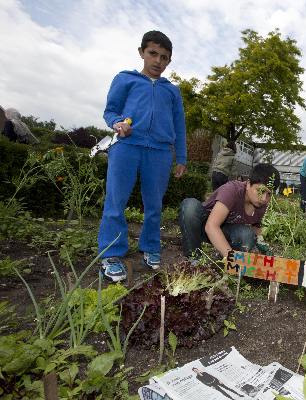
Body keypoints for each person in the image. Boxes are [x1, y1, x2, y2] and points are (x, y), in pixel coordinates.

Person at [98, 30, 187, 282]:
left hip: (160, 152)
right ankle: (111, 254)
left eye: (164, 57)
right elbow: (110, 111)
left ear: (169, 61)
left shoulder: (172, 91)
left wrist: (181, 158)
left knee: (154, 205)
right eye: (153, 54)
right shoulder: (125, 79)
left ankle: (150, 248)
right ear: (141, 53)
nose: (158, 61)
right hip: (126, 146)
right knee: (116, 201)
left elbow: (179, 126)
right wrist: (117, 123)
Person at [179, 163, 280, 258]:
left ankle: (226, 259)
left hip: (225, 232)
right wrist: (231, 259)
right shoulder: (232, 191)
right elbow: (211, 226)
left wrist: (262, 246)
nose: (264, 198)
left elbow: (255, 228)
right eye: (260, 191)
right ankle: (194, 258)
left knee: (246, 234)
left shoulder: (261, 204)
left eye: (269, 194)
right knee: (190, 206)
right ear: (248, 184)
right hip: (202, 227)